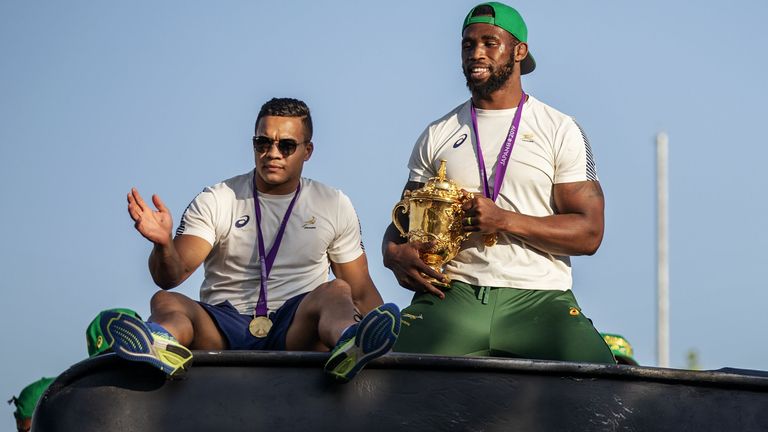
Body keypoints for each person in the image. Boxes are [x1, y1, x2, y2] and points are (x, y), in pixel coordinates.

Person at [96, 97, 400, 382]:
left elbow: (360, 291)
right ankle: (157, 342)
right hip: (224, 323)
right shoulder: (218, 199)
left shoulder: (332, 203)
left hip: (294, 324)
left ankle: (352, 343)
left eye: (287, 145)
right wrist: (163, 244)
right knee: (166, 301)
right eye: (263, 142)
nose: (272, 153)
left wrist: (398, 355)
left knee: (338, 290)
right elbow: (171, 276)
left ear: (307, 150)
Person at [382, 2, 614, 363]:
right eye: (468, 44)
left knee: (604, 381)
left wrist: (503, 220)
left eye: (490, 43)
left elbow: (589, 233)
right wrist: (392, 254)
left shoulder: (559, 128)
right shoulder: (437, 133)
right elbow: (403, 222)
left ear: (519, 51)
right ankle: (360, 338)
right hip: (454, 293)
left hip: (539, 298)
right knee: (381, 374)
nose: (476, 53)